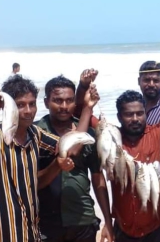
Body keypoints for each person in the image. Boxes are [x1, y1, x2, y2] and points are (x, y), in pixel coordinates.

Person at [0, 75, 98, 241]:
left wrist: (87, 108)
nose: (28, 111)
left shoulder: (34, 134)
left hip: (30, 234)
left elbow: (71, 146)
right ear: (7, 107)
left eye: (32, 104)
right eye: (20, 105)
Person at [35, 75, 113, 242]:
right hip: (45, 222)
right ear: (46, 102)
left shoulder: (90, 134)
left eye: (69, 100)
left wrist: (108, 221)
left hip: (82, 220)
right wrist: (87, 108)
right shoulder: (35, 134)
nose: (64, 106)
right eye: (58, 100)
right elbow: (71, 149)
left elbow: (98, 179)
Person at [111, 90, 160, 242]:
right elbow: (80, 112)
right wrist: (85, 88)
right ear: (119, 117)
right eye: (129, 114)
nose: (135, 119)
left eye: (140, 113)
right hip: (124, 227)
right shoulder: (111, 139)